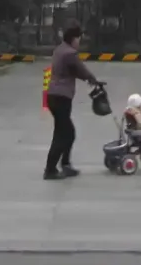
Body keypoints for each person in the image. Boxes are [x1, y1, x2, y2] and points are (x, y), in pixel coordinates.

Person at [45, 23, 99, 180]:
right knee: (65, 133)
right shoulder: (70, 53)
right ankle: (50, 169)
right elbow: (80, 69)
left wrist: (89, 79)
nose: (79, 42)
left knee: (63, 132)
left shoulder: (59, 50)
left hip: (53, 95)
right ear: (73, 38)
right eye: (79, 39)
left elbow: (73, 71)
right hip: (61, 97)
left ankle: (65, 165)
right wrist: (93, 79)